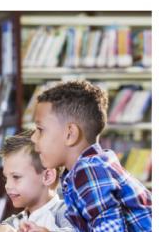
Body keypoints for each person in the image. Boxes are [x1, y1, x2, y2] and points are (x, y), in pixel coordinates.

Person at [31, 80, 152, 231]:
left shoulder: (89, 170)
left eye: (40, 129)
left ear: (70, 134)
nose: (33, 138)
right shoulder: (90, 167)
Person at [0, 129, 73, 232]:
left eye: (16, 177)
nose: (7, 186)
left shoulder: (65, 212)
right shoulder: (14, 222)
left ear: (47, 176)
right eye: (6, 178)